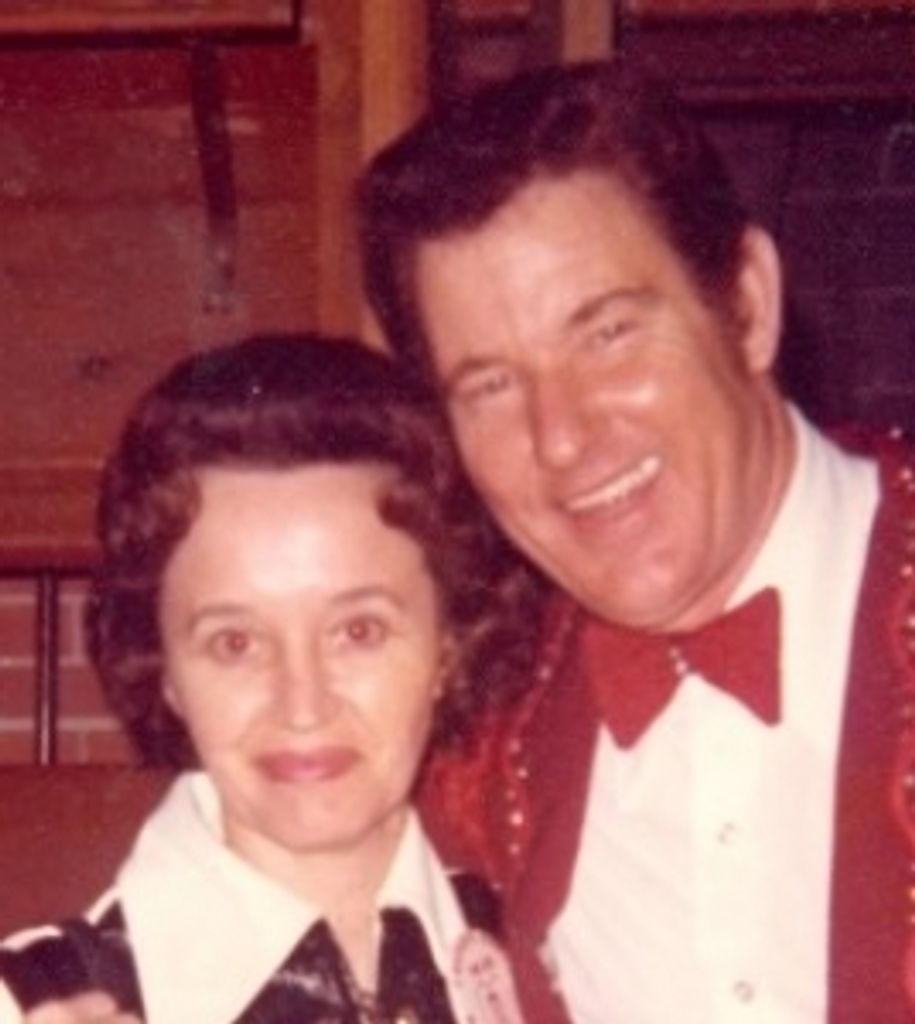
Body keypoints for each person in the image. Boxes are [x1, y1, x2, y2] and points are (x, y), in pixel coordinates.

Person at [356, 58, 915, 1022]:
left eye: (607, 333)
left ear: (746, 306)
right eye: (490, 385)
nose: (561, 437)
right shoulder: (475, 727)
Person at [2, 334, 540, 1024]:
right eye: (235, 643)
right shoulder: (30, 1000)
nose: (302, 705)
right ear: (165, 672)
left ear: (450, 644)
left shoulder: (548, 958)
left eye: (359, 631)